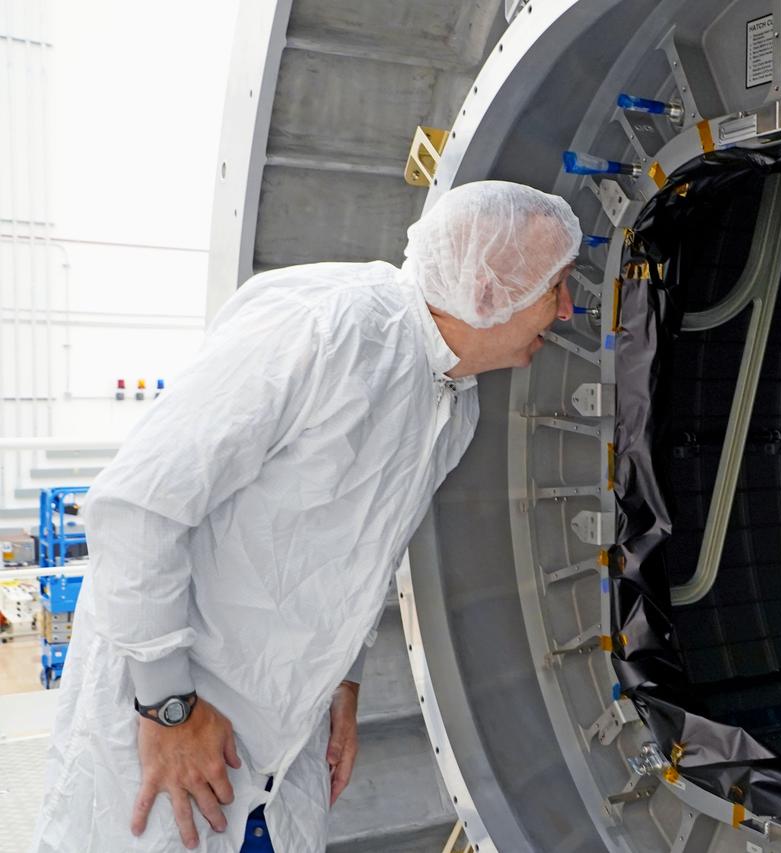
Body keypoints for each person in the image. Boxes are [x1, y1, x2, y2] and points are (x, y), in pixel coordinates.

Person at [30, 181, 582, 852]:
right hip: (172, 735)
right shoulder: (331, 329)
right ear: (491, 290)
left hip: (273, 743)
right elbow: (137, 505)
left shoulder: (451, 403)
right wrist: (166, 705)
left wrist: (342, 684)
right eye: (556, 288)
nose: (567, 309)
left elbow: (363, 557)